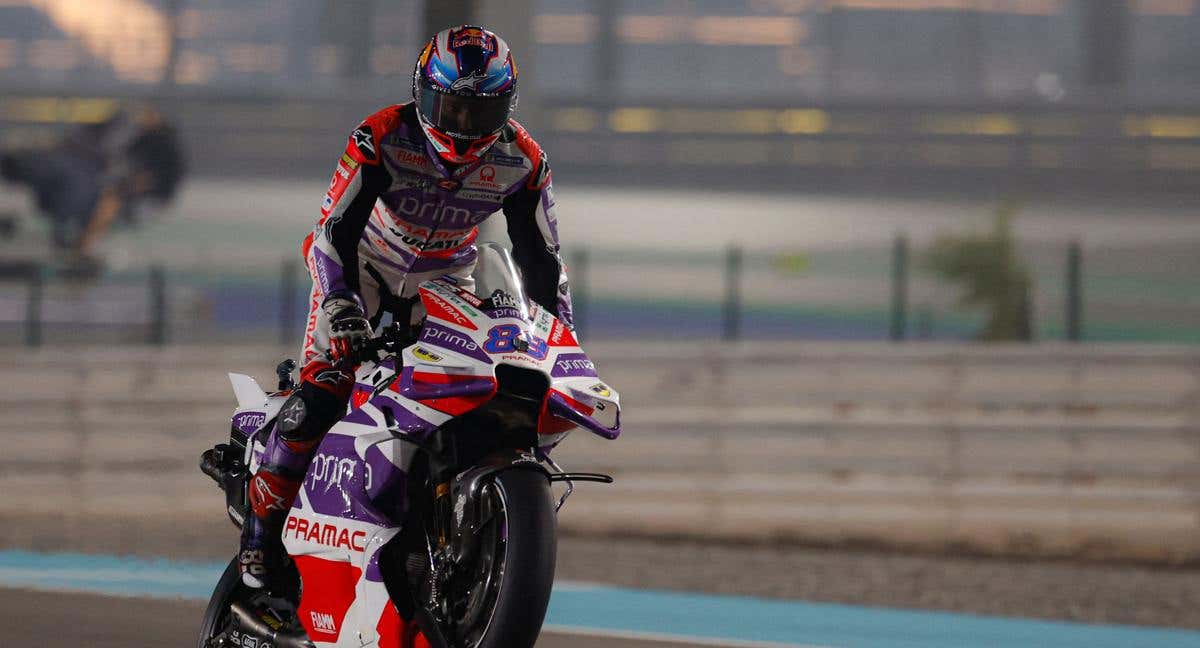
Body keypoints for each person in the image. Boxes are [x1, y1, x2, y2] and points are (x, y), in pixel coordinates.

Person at [239, 25, 573, 600]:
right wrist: (341, 304)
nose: (462, 126)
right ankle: (259, 538)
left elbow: (542, 259)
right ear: (422, 93)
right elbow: (332, 232)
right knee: (322, 394)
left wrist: (559, 338)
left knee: (472, 389)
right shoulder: (380, 135)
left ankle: (436, 522)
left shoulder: (525, 160)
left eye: (479, 111)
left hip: (446, 280)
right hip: (362, 267)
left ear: (506, 107)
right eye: (450, 107)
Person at [0, 103, 185, 258]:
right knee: (97, 193)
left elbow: (145, 181)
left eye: (149, 114)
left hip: (148, 200)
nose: (143, 117)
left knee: (109, 201)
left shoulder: (163, 146)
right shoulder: (143, 138)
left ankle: (84, 247)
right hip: (121, 189)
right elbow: (118, 159)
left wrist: (120, 185)